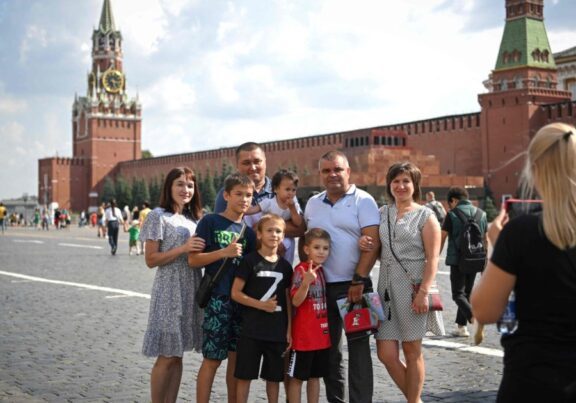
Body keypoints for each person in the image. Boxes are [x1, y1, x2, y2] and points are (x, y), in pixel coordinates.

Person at [471, 122, 576, 402]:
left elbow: (484, 310)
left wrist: (496, 248)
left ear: (535, 168)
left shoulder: (522, 233)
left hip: (532, 382)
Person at [360, 162, 444, 403]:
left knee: (411, 350)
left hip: (412, 289)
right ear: (389, 184)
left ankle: (412, 401)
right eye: (395, 181)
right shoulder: (382, 213)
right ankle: (416, 400)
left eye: (406, 181)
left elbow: (433, 259)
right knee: (386, 353)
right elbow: (377, 247)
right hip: (385, 289)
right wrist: (364, 244)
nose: (400, 186)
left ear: (414, 185)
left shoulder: (426, 216)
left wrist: (424, 292)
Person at [303, 150, 380, 403]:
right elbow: (308, 239)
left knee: (358, 351)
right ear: (321, 174)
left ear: (348, 172)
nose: (332, 174)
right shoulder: (313, 203)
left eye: (337, 169)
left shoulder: (363, 200)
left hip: (354, 286)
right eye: (326, 170)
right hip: (321, 289)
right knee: (328, 352)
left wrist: (358, 279)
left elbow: (374, 242)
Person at [188, 173, 257, 403]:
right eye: (239, 194)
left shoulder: (249, 233)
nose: (244, 200)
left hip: (240, 302)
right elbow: (193, 260)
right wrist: (222, 252)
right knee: (213, 359)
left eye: (248, 195)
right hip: (218, 299)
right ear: (226, 195)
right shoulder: (210, 222)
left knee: (235, 361)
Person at [140, 166, 206, 403]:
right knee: (166, 355)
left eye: (190, 185)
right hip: (169, 289)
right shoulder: (157, 216)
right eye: (179, 184)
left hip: (191, 286)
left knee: (178, 355)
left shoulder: (194, 218)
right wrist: (183, 249)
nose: (185, 189)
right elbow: (151, 259)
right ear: (169, 187)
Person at [231, 214, 293, 403]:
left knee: (274, 378)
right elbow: (235, 293)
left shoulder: (286, 266)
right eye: (269, 230)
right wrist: (261, 305)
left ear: (283, 236)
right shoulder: (249, 261)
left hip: (276, 332)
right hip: (251, 330)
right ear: (258, 234)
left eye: (278, 231)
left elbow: (288, 300)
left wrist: (289, 328)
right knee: (244, 376)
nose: (274, 234)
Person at [214, 142, 304, 239]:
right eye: (246, 163)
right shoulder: (229, 193)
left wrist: (264, 227)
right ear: (237, 166)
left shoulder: (284, 190)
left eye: (257, 161)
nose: (253, 168)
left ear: (265, 162)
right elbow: (221, 230)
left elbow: (301, 228)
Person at [288, 228, 331, 403]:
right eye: (317, 247)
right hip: (303, 338)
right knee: (297, 379)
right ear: (307, 249)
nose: (321, 252)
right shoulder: (301, 270)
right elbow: (296, 302)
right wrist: (305, 283)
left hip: (321, 337)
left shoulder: (321, 270)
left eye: (325, 248)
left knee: (315, 378)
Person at [440, 186, 487, 343]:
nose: (450, 207)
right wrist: (484, 262)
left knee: (458, 294)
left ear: (453, 200)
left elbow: (442, 237)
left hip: (458, 260)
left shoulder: (452, 214)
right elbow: (485, 239)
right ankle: (461, 328)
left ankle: (474, 316)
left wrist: (434, 257)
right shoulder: (482, 214)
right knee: (466, 293)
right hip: (476, 258)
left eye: (449, 203)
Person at [245, 169, 303, 264]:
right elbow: (253, 210)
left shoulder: (293, 205)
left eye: (293, 190)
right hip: (268, 232)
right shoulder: (269, 202)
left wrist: (292, 209)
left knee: (289, 244)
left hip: (284, 236)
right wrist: (241, 211)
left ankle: (286, 266)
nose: (291, 193)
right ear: (276, 189)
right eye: (287, 189)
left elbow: (298, 223)